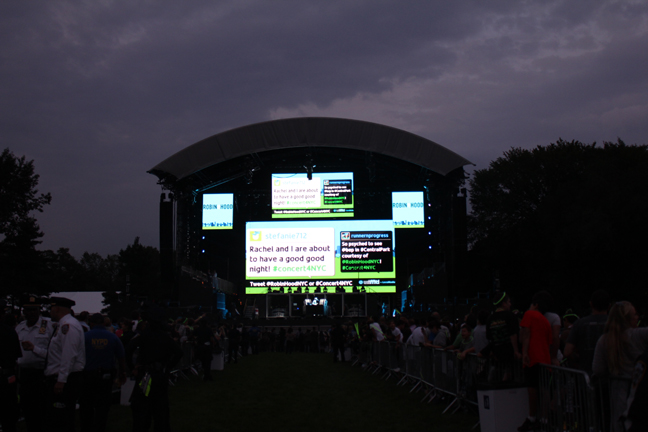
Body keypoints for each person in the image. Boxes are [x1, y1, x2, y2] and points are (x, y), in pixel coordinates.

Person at [592, 301, 648, 432]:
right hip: (640, 390)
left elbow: (598, 369)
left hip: (617, 391)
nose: (637, 317)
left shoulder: (604, 340)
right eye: (635, 314)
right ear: (627, 319)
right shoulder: (639, 335)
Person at [130, 306, 182, 432]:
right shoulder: (165, 337)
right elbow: (179, 352)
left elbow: (128, 349)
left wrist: (132, 367)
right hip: (159, 375)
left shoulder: (143, 336)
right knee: (161, 408)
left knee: (142, 407)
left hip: (145, 375)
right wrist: (168, 367)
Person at [44, 297, 86, 432]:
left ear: (56, 309)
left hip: (66, 379)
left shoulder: (68, 326)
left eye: (51, 309)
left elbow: (69, 355)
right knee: (56, 417)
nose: (50, 312)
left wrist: (61, 380)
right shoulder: (63, 325)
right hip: (62, 377)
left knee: (62, 418)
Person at [80, 313, 127, 432]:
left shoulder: (85, 337)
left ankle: (87, 427)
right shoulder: (112, 337)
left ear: (91, 323)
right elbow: (121, 356)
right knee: (103, 405)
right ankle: (100, 426)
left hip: (88, 376)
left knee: (87, 404)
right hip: (106, 376)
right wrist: (122, 373)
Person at [15, 296, 55, 432]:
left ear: (39, 311)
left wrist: (34, 349)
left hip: (42, 374)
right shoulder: (20, 328)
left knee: (43, 409)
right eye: (28, 310)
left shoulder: (49, 326)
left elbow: (54, 354)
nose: (31, 313)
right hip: (24, 374)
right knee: (27, 408)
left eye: (34, 310)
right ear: (24, 312)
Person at [517, 293, 552, 432]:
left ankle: (532, 418)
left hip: (532, 358)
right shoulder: (545, 321)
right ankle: (544, 419)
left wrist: (525, 353)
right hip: (545, 359)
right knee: (544, 390)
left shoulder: (529, 314)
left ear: (536, 305)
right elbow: (549, 341)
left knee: (532, 388)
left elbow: (526, 334)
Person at [564, 289, 610, 374]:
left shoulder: (580, 324)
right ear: (609, 306)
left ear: (591, 304)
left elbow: (567, 351)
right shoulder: (616, 323)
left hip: (586, 373)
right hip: (611, 374)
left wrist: (578, 359)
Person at [0, 300, 21, 432]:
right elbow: (16, 355)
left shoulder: (8, 331)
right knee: (8, 415)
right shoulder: (9, 331)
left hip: (5, 376)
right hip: (6, 376)